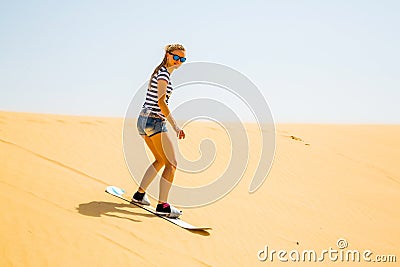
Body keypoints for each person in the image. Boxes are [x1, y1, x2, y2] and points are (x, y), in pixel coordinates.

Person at [132, 44, 186, 218]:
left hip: (143, 121)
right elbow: (162, 102)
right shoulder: (163, 74)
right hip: (154, 120)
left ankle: (139, 195)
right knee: (172, 164)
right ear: (168, 55)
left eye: (182, 59)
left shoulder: (160, 73)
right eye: (176, 57)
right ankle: (163, 206)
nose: (178, 61)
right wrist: (175, 126)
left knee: (160, 160)